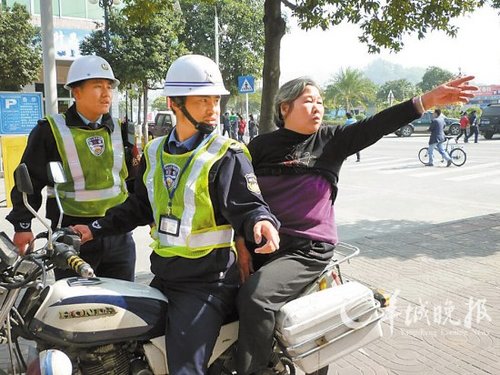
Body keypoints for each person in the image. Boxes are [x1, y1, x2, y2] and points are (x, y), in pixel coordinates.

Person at [235, 75, 477, 375]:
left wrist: (425, 101)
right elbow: (240, 196)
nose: (317, 108)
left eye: (320, 102)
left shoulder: (332, 140)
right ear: (284, 108)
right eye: (308, 101)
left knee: (255, 298)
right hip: (264, 244)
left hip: (307, 248)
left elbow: (376, 124)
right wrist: (240, 243)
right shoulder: (259, 147)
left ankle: (258, 370)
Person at [72, 54, 280, 375]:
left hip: (207, 284)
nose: (213, 109)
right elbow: (138, 206)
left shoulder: (227, 154)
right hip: (165, 276)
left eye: (216, 100)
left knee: (183, 370)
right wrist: (93, 229)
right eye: (202, 101)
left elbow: (248, 205)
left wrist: (262, 222)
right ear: (174, 103)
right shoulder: (155, 151)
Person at [6, 55, 137, 281]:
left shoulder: (122, 130)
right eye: (97, 86)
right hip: (71, 233)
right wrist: (22, 225)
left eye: (109, 87)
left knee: (121, 306)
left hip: (117, 232)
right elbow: (30, 180)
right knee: (74, 310)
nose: (106, 93)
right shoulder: (50, 130)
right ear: (76, 92)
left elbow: (133, 179)